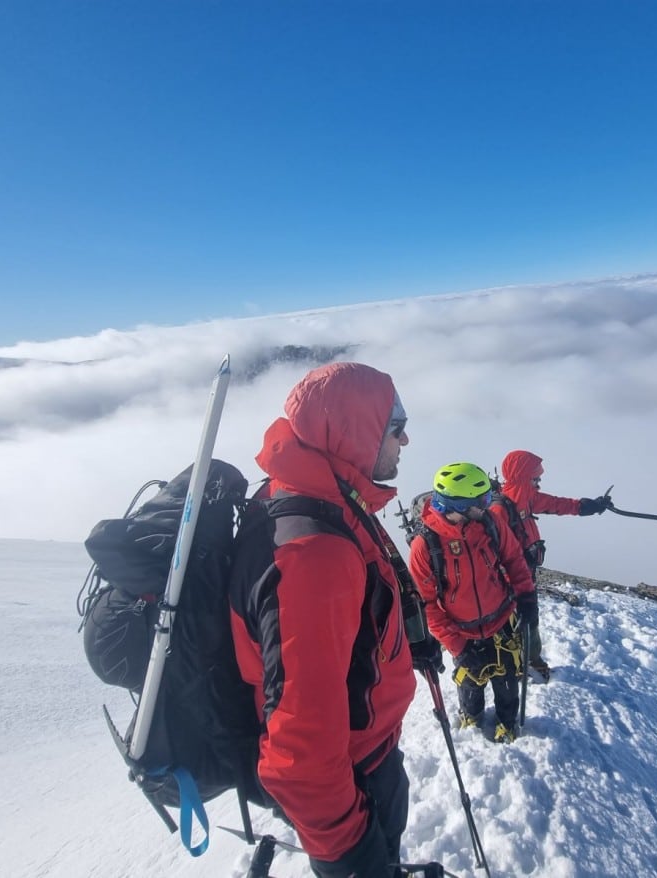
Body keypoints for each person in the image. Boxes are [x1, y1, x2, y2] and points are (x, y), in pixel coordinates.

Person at [229, 362, 420, 878]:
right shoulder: (315, 554)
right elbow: (300, 750)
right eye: (394, 425)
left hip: (365, 756)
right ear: (355, 434)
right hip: (355, 780)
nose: (406, 437)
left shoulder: (318, 493)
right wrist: (352, 855)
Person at [408, 462, 537, 744]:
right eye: (481, 501)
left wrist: (527, 597)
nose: (488, 504)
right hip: (461, 631)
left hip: (501, 618)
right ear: (457, 505)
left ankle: (507, 722)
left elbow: (514, 559)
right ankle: (472, 718)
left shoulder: (490, 524)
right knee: (470, 680)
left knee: (507, 680)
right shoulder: (426, 546)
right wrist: (458, 647)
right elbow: (427, 605)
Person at [496, 449, 609, 681]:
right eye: (535, 478)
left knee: (529, 618)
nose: (539, 483)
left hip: (525, 573)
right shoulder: (501, 508)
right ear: (523, 476)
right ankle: (517, 664)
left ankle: (530, 659)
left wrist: (589, 506)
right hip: (509, 579)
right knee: (514, 622)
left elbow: (557, 504)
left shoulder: (526, 498)